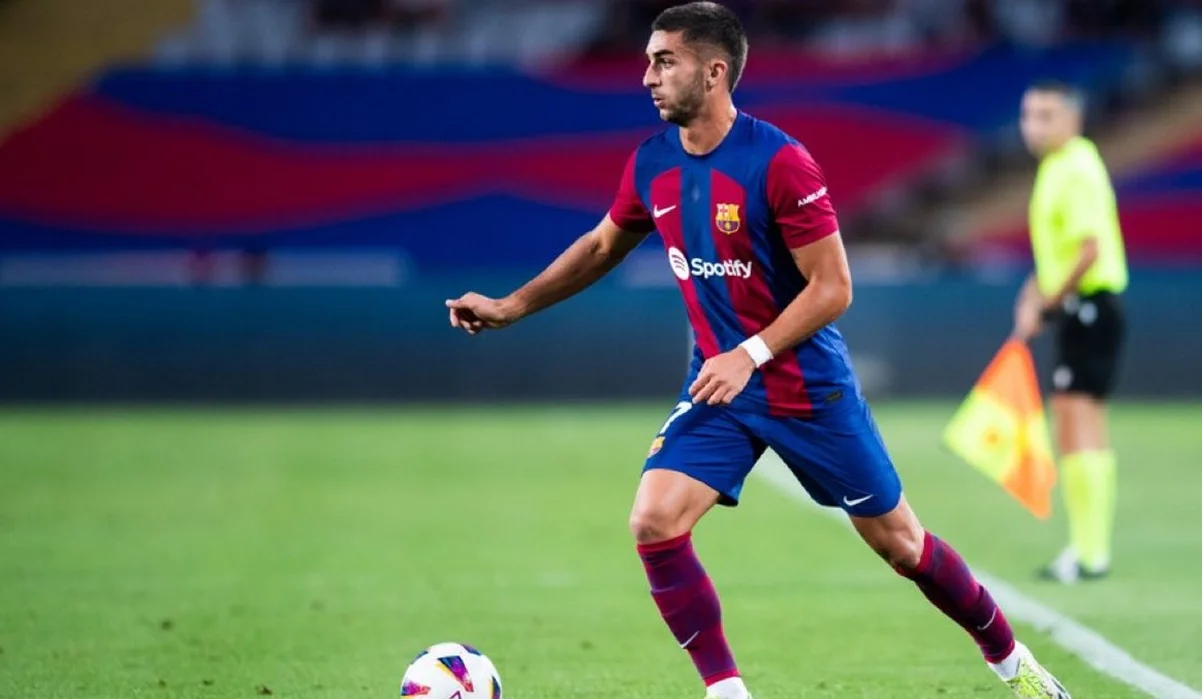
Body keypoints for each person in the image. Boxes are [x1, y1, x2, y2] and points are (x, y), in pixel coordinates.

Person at [447, 3, 1071, 697]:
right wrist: (511, 305)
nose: (648, 77)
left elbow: (833, 287)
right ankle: (727, 691)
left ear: (714, 72)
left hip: (806, 387)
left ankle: (1013, 663)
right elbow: (600, 246)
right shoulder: (652, 162)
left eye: (665, 62)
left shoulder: (779, 162)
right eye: (649, 61)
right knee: (653, 520)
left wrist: (750, 353)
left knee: (901, 545)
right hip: (720, 386)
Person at [1014, 80, 1129, 584]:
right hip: (1084, 306)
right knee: (1079, 421)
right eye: (1028, 115)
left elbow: (1088, 250)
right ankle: (1088, 548)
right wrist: (1032, 294)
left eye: (1046, 116)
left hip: (1090, 306)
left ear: (1072, 119)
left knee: (1077, 421)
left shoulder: (1076, 167)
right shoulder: (1059, 167)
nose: (1033, 126)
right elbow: (1060, 253)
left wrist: (1048, 303)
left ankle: (1089, 551)